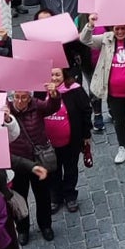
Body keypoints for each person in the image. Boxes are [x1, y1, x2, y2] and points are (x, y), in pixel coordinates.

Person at [83, 17, 125, 166]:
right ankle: (123, 147)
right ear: (112, 29)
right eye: (117, 29)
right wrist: (90, 25)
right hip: (114, 93)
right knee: (119, 122)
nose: (120, 31)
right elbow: (85, 40)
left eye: (123, 28)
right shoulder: (106, 39)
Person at [5, 86, 62, 243]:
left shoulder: (37, 105)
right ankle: (22, 229)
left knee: (43, 196)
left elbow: (52, 106)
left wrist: (54, 95)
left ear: (29, 98)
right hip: (17, 163)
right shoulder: (5, 111)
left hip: (38, 160)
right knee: (20, 198)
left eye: (24, 97)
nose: (20, 101)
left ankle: (45, 226)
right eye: (16, 97)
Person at [44, 65, 92, 214]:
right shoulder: (40, 91)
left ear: (64, 75)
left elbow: (86, 111)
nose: (54, 78)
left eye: (57, 75)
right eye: (51, 75)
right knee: (53, 170)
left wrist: (86, 135)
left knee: (71, 168)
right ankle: (56, 197)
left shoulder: (75, 90)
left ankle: (70, 195)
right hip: (49, 143)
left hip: (71, 140)